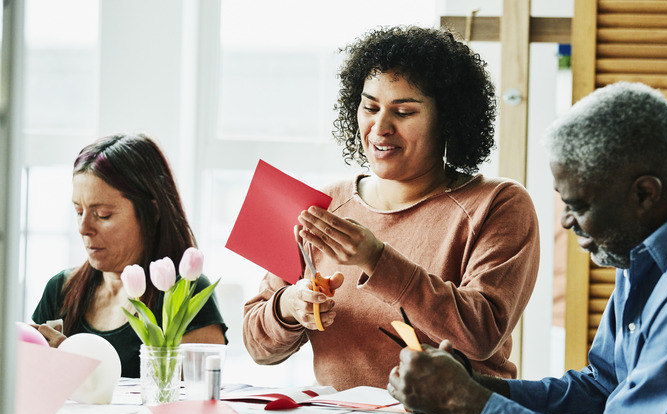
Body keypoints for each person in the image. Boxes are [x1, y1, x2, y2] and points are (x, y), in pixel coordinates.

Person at [387, 82, 667, 414]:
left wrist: (467, 403)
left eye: (579, 205)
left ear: (644, 194)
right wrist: (478, 388)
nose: (565, 221)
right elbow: (605, 388)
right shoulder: (656, 239)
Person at [243, 25, 540, 390]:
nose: (380, 127)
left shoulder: (499, 204)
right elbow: (256, 345)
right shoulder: (320, 206)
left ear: (447, 120)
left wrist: (377, 259)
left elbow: (481, 334)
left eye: (403, 112)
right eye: (370, 107)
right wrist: (290, 305)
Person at [32, 133, 227, 378]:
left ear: (152, 210)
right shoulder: (60, 290)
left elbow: (194, 402)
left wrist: (72, 360)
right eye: (78, 211)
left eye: (102, 214)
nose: (84, 228)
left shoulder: (186, 292)